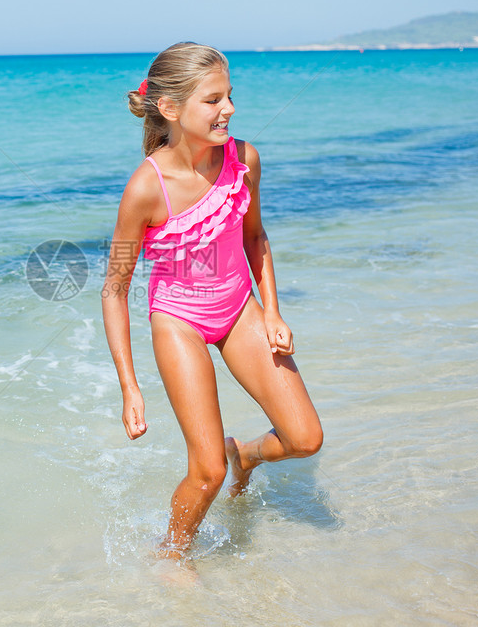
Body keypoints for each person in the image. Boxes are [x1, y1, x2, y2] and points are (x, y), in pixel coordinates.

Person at [101, 42, 323, 561]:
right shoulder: (145, 190)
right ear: (170, 108)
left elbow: (255, 238)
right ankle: (172, 555)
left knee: (305, 438)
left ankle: (245, 454)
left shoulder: (244, 159)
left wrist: (272, 310)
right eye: (213, 100)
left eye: (230, 96)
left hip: (239, 307)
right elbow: (115, 287)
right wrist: (130, 387)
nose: (229, 109)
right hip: (179, 321)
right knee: (206, 472)